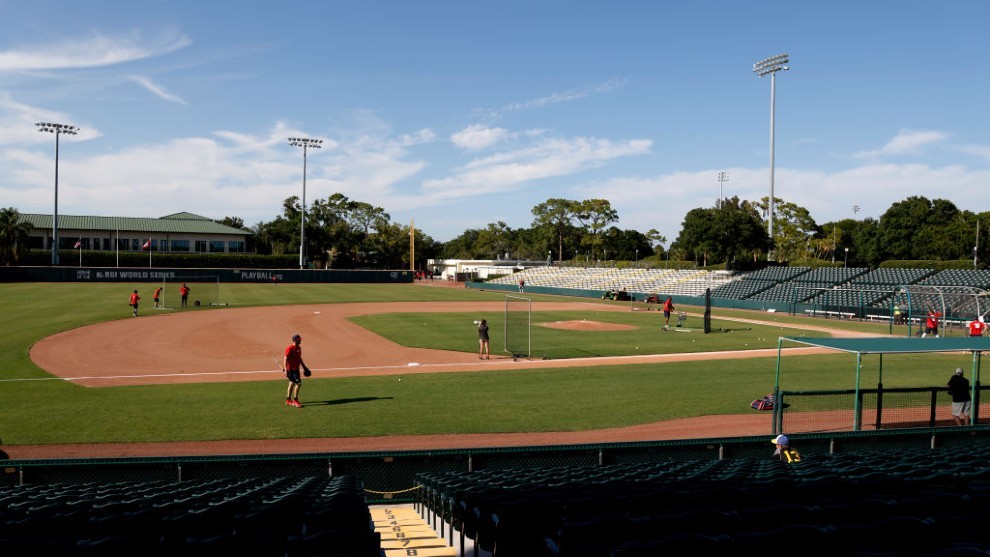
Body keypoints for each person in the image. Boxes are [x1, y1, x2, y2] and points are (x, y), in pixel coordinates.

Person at [282, 333, 310, 408]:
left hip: (296, 369)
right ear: (295, 340)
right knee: (298, 383)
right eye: (299, 340)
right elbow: (285, 359)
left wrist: (304, 367)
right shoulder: (290, 348)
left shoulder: (299, 348)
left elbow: (299, 358)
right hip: (291, 370)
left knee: (291, 383)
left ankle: (288, 400)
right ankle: (295, 400)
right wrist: (285, 370)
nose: (300, 341)